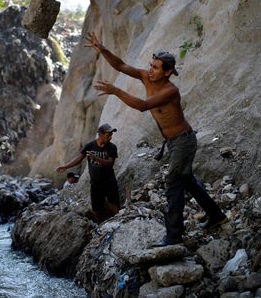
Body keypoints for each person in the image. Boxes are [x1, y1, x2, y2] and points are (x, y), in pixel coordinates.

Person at [85, 31, 227, 247]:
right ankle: (216, 216)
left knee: (174, 184)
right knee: (187, 181)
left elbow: (143, 106)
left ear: (168, 72)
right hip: (173, 142)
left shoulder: (171, 90)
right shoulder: (146, 76)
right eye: (150, 65)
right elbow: (121, 66)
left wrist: (115, 91)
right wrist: (102, 48)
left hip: (184, 141)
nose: (150, 70)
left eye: (155, 67)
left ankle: (174, 236)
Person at [56, 123, 121, 223]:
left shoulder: (112, 147)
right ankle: (102, 226)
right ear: (101, 134)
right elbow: (79, 159)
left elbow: (110, 164)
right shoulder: (90, 146)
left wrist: (96, 158)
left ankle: (117, 223)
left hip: (109, 181)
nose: (111, 137)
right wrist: (65, 167)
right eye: (109, 135)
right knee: (96, 209)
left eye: (111, 135)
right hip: (95, 183)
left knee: (114, 204)